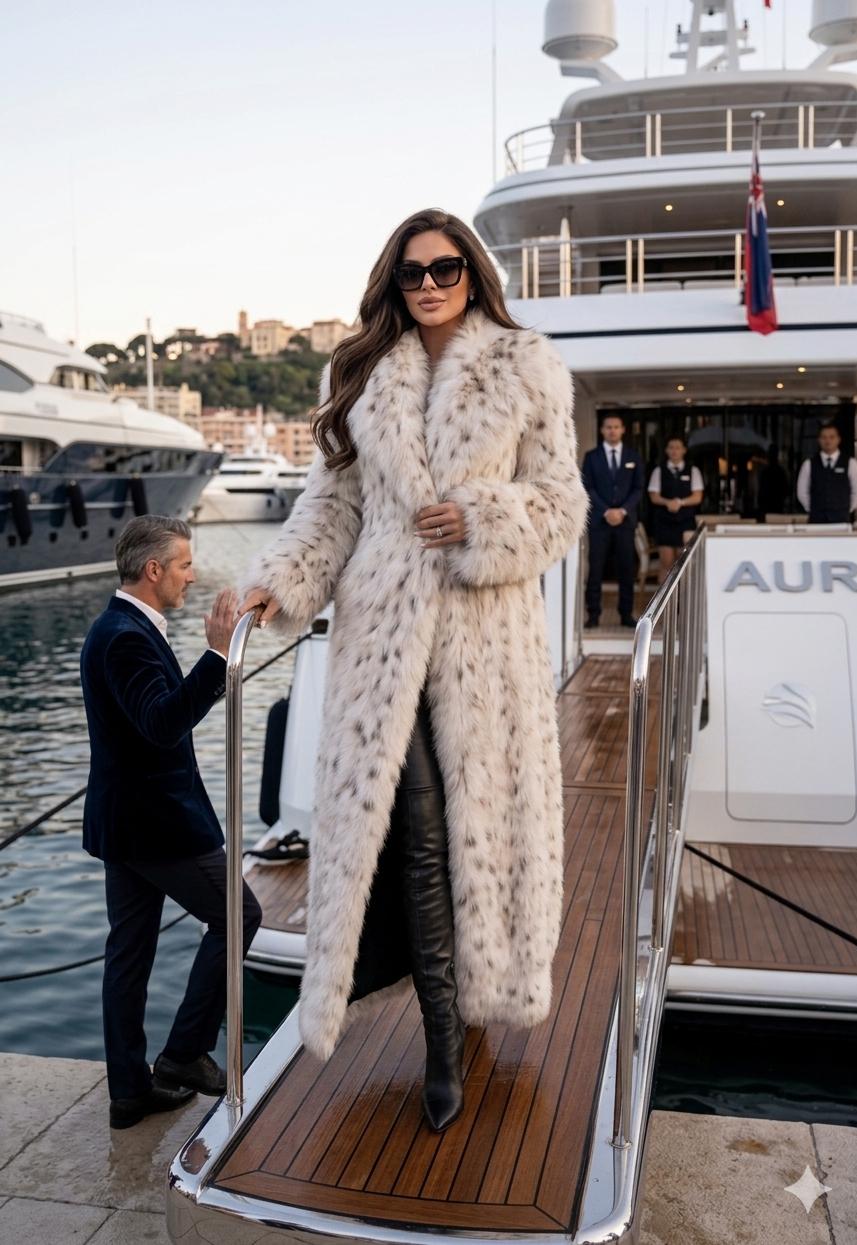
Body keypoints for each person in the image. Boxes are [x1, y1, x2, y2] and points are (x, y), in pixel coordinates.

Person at [238, 207, 588, 1133]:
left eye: (445, 269)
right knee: (422, 829)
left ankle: (464, 1016)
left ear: (473, 273)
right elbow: (331, 509)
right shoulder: (359, 372)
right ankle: (442, 1038)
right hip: (383, 639)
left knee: (473, 832)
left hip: (485, 641)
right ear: (392, 284)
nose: (429, 285)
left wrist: (482, 518)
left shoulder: (528, 365)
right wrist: (271, 587)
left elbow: (561, 504)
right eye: (412, 274)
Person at [80, 516, 262, 1130]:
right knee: (241, 916)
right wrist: (215, 657)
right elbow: (162, 724)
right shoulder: (125, 636)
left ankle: (131, 1092)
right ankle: (184, 1053)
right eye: (184, 564)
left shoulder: (122, 628)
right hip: (157, 828)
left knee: (128, 956)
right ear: (153, 570)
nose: (191, 574)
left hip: (127, 826)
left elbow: (153, 722)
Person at [580, 413, 644, 627]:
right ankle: (594, 615)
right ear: (602, 430)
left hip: (625, 523)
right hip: (600, 522)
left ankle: (626, 615)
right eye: (608, 427)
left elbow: (638, 489)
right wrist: (607, 510)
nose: (612, 430)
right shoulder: (591, 457)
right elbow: (587, 487)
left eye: (616, 427)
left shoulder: (633, 456)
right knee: (596, 569)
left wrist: (622, 511)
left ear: (623, 429)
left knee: (627, 569)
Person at [647, 435, 704, 582]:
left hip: (685, 522)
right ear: (666, 450)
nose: (674, 451)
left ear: (684, 450)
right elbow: (654, 496)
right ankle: (664, 603)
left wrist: (680, 502)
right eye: (671, 447)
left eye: (678, 447)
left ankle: (682, 602)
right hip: (664, 522)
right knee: (666, 562)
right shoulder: (659, 471)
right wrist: (668, 503)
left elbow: (697, 497)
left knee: (684, 563)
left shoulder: (693, 471)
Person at [796, 423, 857, 524]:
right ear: (819, 440)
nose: (828, 441)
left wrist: (845, 509)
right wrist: (814, 509)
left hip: (842, 521)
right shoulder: (809, 464)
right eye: (824, 437)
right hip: (816, 521)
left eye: (832, 437)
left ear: (838, 439)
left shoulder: (851, 463)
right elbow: (802, 492)